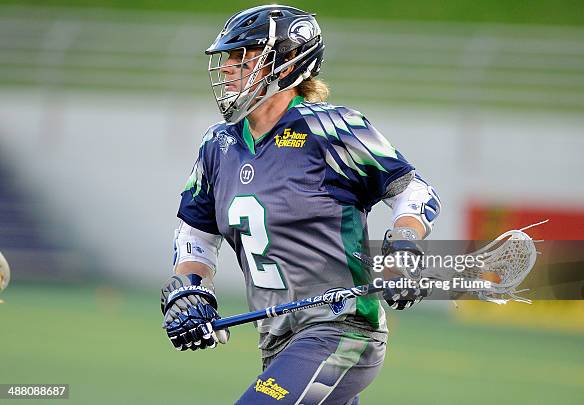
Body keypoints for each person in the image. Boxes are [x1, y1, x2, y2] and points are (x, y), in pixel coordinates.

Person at [160, 5, 441, 404]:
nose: (227, 68)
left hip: (342, 328)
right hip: (277, 341)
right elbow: (197, 235)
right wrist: (192, 292)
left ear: (289, 62)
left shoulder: (331, 129)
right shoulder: (217, 145)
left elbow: (414, 191)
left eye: (244, 56)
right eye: (228, 56)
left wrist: (404, 246)